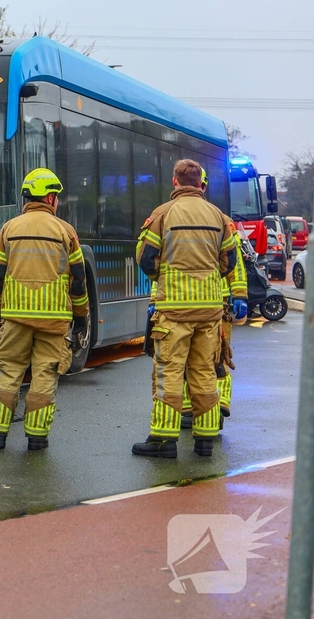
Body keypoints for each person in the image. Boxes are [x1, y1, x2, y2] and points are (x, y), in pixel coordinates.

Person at [0, 169, 88, 451]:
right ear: (50, 197)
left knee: (9, 371)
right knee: (45, 374)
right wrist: (82, 316)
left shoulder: (9, 229)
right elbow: (78, 280)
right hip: (55, 319)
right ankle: (37, 437)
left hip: (15, 317)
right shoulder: (66, 232)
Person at [132, 159, 239, 459]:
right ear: (199, 182)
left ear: (175, 182)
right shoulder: (218, 217)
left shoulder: (163, 214)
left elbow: (145, 257)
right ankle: (204, 440)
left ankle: (164, 441)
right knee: (204, 371)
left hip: (174, 310)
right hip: (208, 311)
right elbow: (228, 263)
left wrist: (163, 277)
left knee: (169, 372)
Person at [180, 167, 248, 429]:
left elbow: (235, 263)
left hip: (212, 305)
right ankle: (193, 410)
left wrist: (239, 294)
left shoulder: (219, 221)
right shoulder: (219, 220)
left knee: (213, 359)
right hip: (209, 304)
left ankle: (217, 405)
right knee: (202, 358)